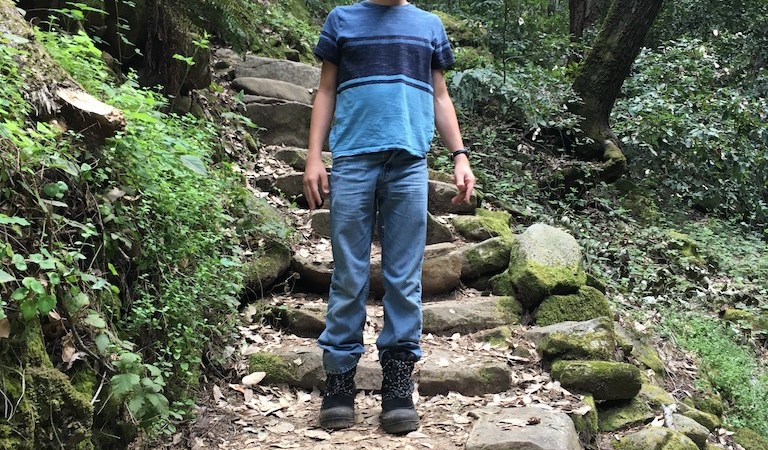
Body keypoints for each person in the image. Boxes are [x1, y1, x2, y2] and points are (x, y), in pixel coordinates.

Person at [302, 0, 475, 434]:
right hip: (352, 159)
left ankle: (397, 384)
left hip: (409, 163)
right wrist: (314, 157)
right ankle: (339, 380)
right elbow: (326, 90)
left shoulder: (429, 26)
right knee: (348, 273)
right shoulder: (342, 20)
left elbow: (440, 95)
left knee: (404, 275)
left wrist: (459, 155)